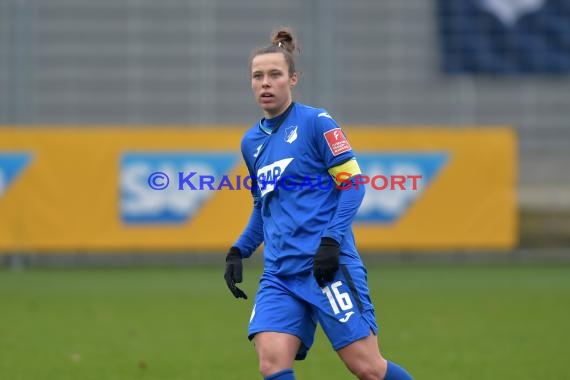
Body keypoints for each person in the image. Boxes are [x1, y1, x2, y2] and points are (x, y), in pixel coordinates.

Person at [224, 27, 413, 380]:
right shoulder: (250, 142)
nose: (265, 83)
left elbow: (353, 184)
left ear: (292, 79)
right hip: (280, 273)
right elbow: (262, 206)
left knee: (368, 368)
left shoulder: (316, 122)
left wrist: (331, 240)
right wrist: (240, 250)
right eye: (257, 76)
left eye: (275, 75)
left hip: (326, 266)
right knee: (272, 361)